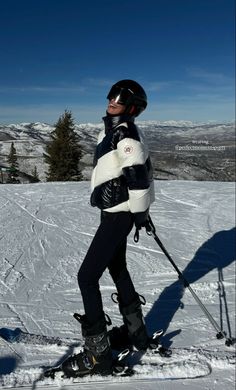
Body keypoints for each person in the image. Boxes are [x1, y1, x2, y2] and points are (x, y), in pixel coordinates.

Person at [63, 79, 155, 377]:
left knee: (86, 277)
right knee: (118, 269)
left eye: (118, 99)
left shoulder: (125, 133)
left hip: (119, 215)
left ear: (131, 106)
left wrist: (140, 213)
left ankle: (98, 356)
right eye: (110, 97)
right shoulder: (116, 130)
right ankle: (136, 335)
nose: (110, 102)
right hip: (115, 213)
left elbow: (138, 175)